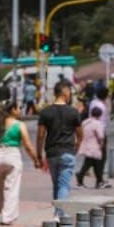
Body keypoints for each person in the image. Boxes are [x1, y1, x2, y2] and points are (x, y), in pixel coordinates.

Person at [0, 100, 40, 225]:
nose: (19, 110)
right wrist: (36, 160)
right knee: (11, 187)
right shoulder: (20, 125)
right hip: (12, 156)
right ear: (12, 110)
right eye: (18, 108)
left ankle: (2, 211)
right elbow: (28, 146)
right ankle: (7, 217)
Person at [36, 81, 82, 217]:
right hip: (67, 152)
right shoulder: (73, 112)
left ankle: (57, 211)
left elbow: (40, 135)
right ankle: (60, 214)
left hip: (51, 153)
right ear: (65, 92)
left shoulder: (45, 113)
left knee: (57, 184)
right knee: (63, 185)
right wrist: (75, 150)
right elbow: (80, 135)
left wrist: (39, 155)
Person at [76, 106, 109, 189]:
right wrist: (101, 144)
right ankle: (81, 178)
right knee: (93, 164)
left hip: (86, 145)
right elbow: (101, 136)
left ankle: (99, 181)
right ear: (100, 115)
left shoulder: (85, 122)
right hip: (95, 146)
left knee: (93, 164)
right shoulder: (98, 124)